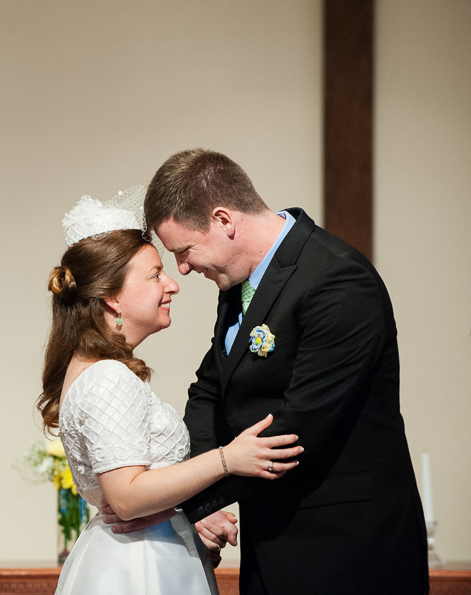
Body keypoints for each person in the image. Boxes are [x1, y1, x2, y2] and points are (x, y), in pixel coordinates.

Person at [106, 149, 429, 595]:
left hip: (345, 548)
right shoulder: (239, 282)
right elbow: (209, 389)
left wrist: (171, 500)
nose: (182, 268)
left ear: (223, 220)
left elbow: (296, 431)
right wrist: (186, 492)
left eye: (184, 250)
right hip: (272, 543)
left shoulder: (337, 280)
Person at [38, 187, 303, 595]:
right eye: (155, 274)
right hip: (141, 569)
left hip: (143, 550)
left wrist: (185, 513)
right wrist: (228, 459)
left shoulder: (93, 369)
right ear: (113, 298)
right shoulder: (107, 377)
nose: (173, 284)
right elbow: (126, 497)